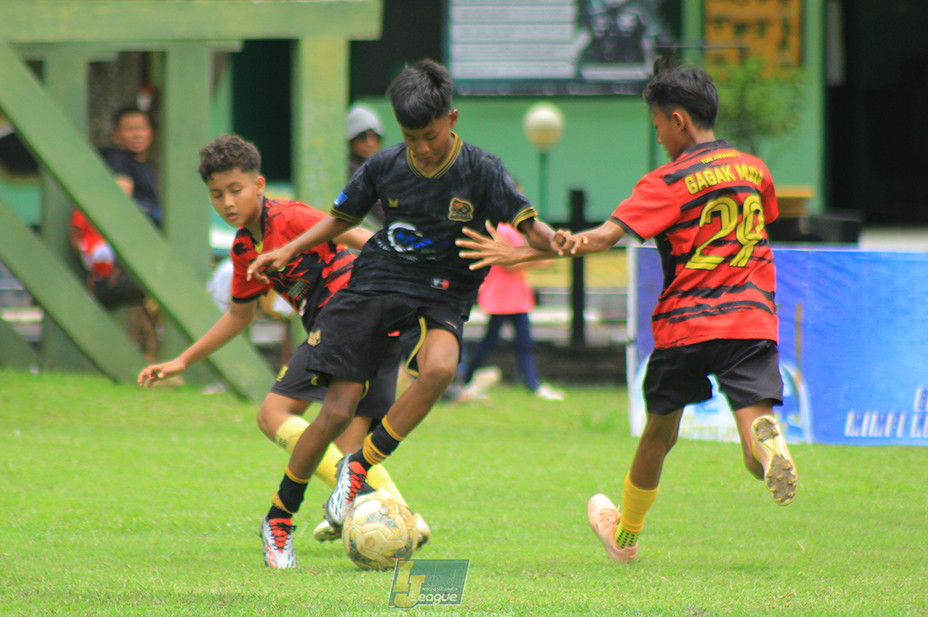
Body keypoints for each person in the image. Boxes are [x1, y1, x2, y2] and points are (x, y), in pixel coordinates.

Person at [456, 55, 798, 564]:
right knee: (754, 450)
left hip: (687, 326)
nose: (659, 136)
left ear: (677, 119)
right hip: (750, 319)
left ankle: (626, 537)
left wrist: (523, 251)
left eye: (658, 124)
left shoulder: (666, 182)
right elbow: (764, 219)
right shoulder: (753, 169)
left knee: (658, 436)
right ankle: (770, 446)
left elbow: (599, 239)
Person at [246, 59, 560, 568]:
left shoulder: (483, 170)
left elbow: (537, 232)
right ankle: (279, 520)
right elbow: (339, 220)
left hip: (445, 290)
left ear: (452, 119)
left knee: (439, 368)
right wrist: (287, 251)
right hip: (377, 282)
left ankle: (359, 466)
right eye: (412, 138)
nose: (422, 148)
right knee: (336, 412)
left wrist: (542, 245)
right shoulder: (385, 165)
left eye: (431, 136)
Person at [137, 134, 429, 567]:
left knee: (277, 413)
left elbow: (359, 235)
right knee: (349, 447)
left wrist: (407, 269)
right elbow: (239, 316)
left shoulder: (290, 217)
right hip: (366, 320)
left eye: (235, 190)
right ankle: (397, 517)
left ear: (259, 184)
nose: (227, 203)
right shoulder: (242, 248)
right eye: (217, 195)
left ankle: (284, 518)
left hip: (351, 308)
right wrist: (183, 359)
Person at [460, 222, 564, 401]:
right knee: (496, 342)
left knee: (518, 342)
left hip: (512, 297)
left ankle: (532, 384)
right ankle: (465, 379)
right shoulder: (505, 230)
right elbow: (511, 264)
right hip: (503, 296)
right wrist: (544, 258)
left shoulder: (507, 229)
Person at [69, 174, 159, 360]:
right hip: (104, 280)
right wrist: (93, 273)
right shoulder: (88, 212)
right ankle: (145, 351)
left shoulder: (127, 216)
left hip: (122, 277)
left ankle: (147, 350)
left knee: (144, 298)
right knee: (144, 294)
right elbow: (77, 242)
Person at [102, 107, 162, 228]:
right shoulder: (117, 159)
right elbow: (122, 199)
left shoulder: (145, 165)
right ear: (115, 135)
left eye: (142, 128)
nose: (137, 135)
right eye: (129, 130)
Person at [345, 103, 387, 228]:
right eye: (363, 137)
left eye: (375, 137)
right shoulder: (348, 169)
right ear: (350, 139)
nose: (369, 143)